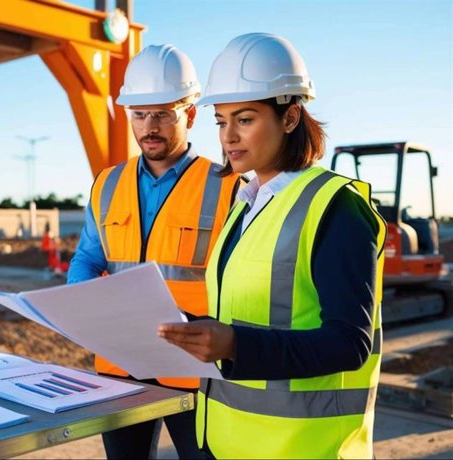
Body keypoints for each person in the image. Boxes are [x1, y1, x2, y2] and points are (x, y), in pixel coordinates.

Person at [158, 33, 386, 459]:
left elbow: (349, 343)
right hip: (225, 441)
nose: (229, 137)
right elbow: (242, 312)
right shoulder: (243, 206)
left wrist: (234, 345)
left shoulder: (335, 206)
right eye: (222, 122)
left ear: (290, 117)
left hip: (302, 448)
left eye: (245, 119)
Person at [68, 44, 244, 460]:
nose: (150, 126)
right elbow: (88, 258)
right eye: (140, 115)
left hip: (196, 370)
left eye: (163, 114)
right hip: (119, 366)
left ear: (191, 114)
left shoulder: (230, 186)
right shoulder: (106, 184)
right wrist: (80, 301)